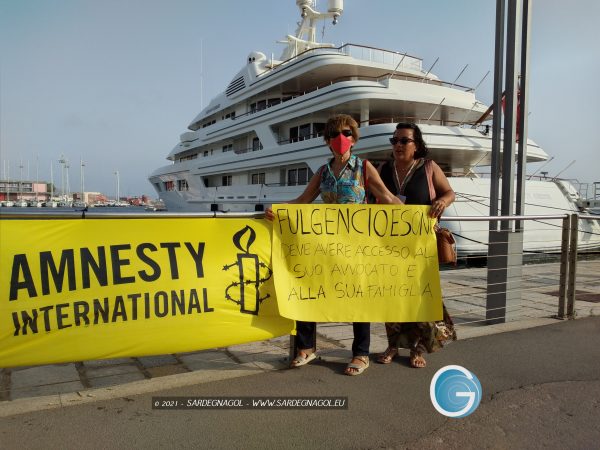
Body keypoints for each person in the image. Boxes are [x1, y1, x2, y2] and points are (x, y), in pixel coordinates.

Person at [265, 114, 402, 376]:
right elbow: (303, 200)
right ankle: (306, 347)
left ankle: (361, 354)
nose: (342, 139)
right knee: (309, 289)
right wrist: (277, 210)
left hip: (357, 246)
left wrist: (416, 219)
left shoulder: (364, 168)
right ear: (327, 140)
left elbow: (387, 198)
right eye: (336, 134)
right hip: (325, 246)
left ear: (354, 138)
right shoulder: (323, 172)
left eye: (347, 133)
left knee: (358, 297)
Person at [376, 122, 457, 368]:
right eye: (394, 140)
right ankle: (392, 345)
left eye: (404, 141)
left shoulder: (429, 168)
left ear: (417, 145)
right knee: (392, 296)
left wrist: (443, 201)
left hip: (422, 246)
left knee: (421, 296)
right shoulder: (384, 168)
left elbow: (450, 192)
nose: (398, 145)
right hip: (390, 244)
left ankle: (417, 348)